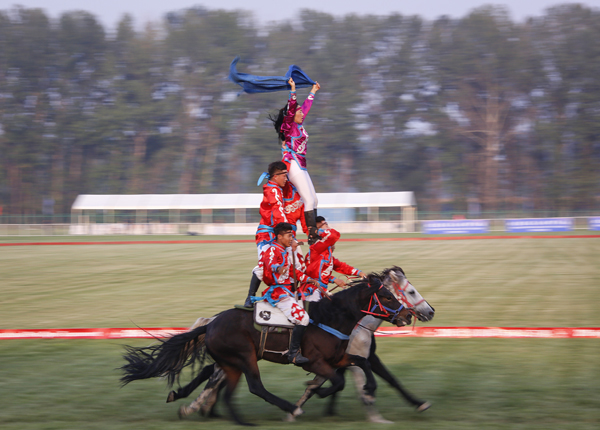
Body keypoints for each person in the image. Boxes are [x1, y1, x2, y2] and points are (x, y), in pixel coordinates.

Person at [258, 222, 318, 365]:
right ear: (279, 236)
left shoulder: (284, 251)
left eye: (292, 235)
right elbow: (269, 263)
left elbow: (294, 272)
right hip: (279, 293)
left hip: (288, 291)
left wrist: (309, 279)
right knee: (303, 318)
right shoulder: (273, 249)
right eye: (289, 235)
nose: (291, 238)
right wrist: (277, 268)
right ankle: (293, 354)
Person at [270, 78, 321, 244]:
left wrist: (313, 91)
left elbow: (305, 108)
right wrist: (293, 90)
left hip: (302, 165)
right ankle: (312, 235)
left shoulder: (298, 125)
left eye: (300, 112)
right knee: (308, 200)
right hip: (293, 164)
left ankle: (315, 230)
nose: (301, 114)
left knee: (314, 200)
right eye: (298, 112)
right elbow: (292, 110)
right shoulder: (290, 126)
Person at [300, 216, 366, 302]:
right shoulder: (316, 248)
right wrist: (334, 279)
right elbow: (334, 235)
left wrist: (360, 273)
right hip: (311, 291)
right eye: (325, 225)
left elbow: (341, 266)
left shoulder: (326, 253)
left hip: (320, 290)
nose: (328, 228)